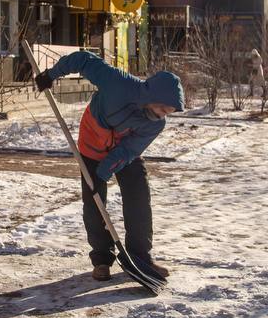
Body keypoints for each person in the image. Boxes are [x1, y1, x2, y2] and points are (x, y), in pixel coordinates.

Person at [35, 51, 184, 283]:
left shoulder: (155, 125)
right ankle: (102, 259)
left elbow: (129, 150)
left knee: (139, 194)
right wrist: (52, 74)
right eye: (164, 109)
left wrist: (105, 172)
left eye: (169, 113)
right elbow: (82, 60)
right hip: (92, 142)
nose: (164, 116)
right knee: (94, 200)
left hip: (122, 150)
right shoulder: (118, 82)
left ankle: (140, 258)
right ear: (154, 97)